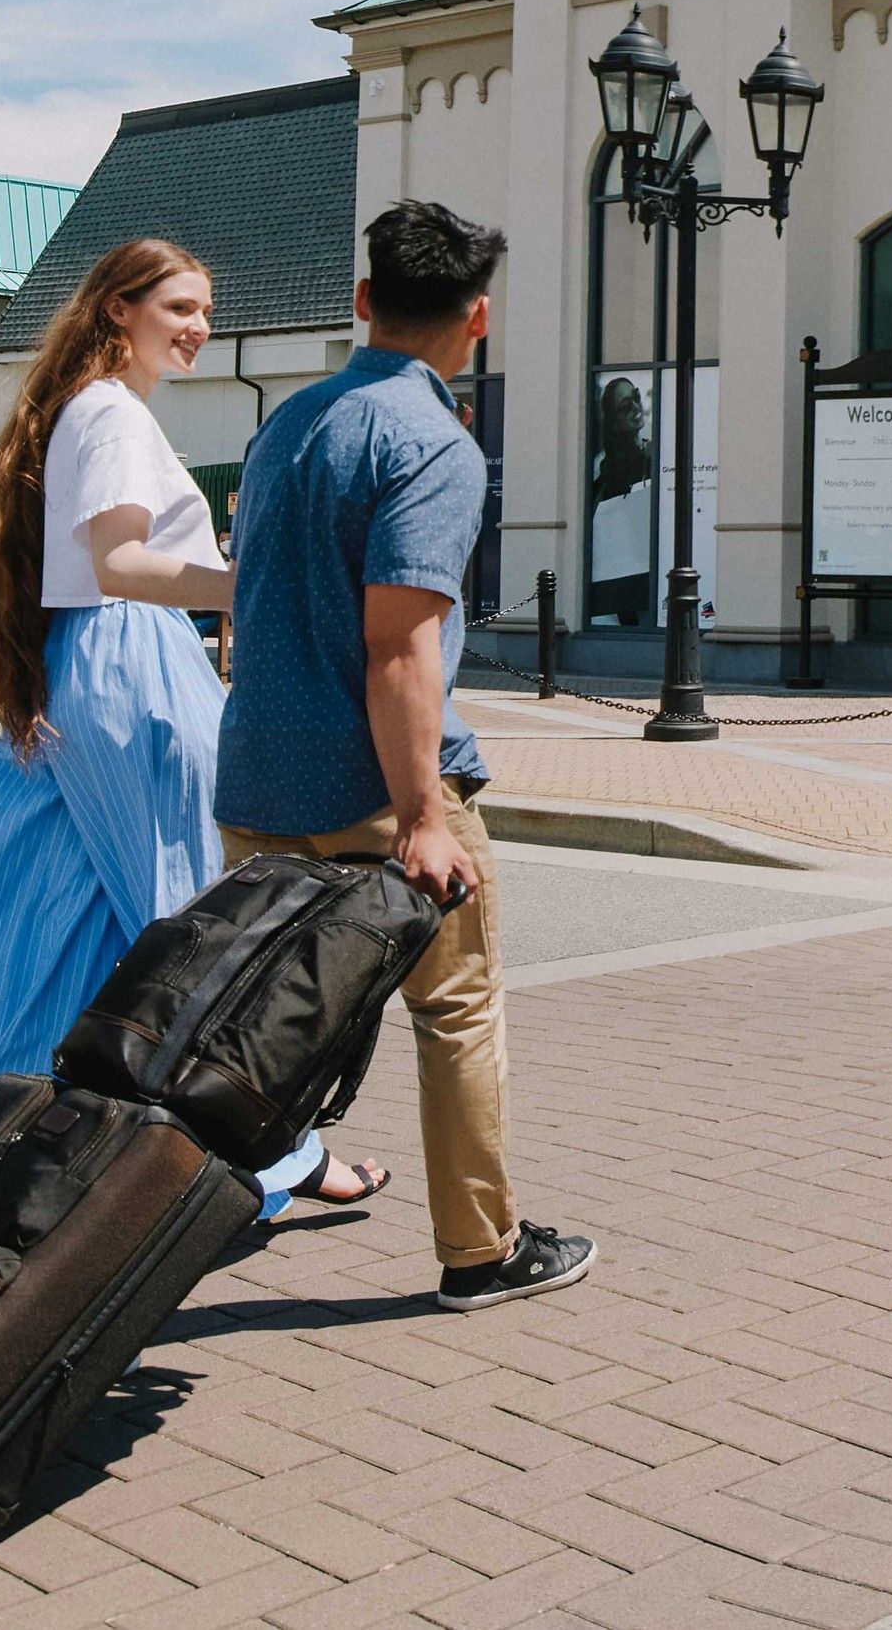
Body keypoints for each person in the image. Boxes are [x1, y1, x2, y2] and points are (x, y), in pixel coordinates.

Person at [0, 237, 376, 1211]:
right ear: (117, 310)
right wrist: (255, 581)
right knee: (189, 924)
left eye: (205, 311)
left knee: (48, 924)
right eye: (179, 308)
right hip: (133, 660)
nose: (199, 328)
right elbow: (122, 564)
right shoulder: (112, 414)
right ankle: (271, 1156)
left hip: (77, 669)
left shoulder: (82, 411)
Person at [216, 198, 592, 1311]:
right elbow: (399, 648)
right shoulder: (432, 442)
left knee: (257, 1025)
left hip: (254, 779)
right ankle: (482, 1249)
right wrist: (425, 816)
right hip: (373, 794)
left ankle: (187, 1202)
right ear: (477, 322)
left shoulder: (286, 424)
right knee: (457, 1008)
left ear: (364, 303)